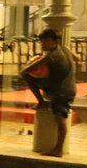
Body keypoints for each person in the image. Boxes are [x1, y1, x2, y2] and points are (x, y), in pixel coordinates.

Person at [21, 28, 76, 157]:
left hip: (61, 91)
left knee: (60, 118)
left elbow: (27, 69)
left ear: (56, 41)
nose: (43, 44)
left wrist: (28, 68)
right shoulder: (64, 49)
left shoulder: (52, 55)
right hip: (65, 87)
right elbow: (77, 58)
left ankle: (58, 149)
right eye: (42, 41)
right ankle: (41, 101)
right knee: (60, 116)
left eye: (46, 41)